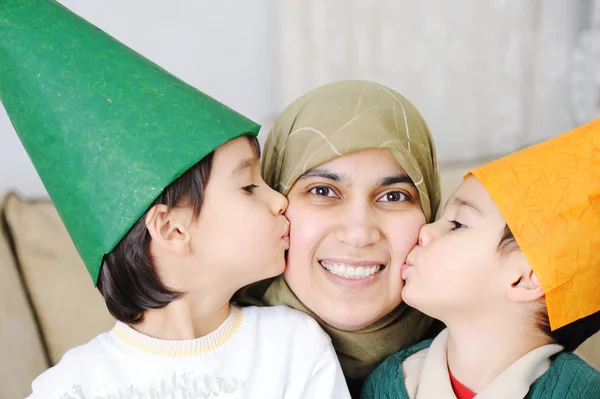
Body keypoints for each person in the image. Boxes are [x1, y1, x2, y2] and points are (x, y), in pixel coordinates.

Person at [0, 1, 349, 397]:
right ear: (172, 227)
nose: (280, 201)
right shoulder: (70, 388)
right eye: (249, 186)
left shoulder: (294, 347)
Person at [362, 119, 600, 398]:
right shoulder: (389, 384)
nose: (425, 231)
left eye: (457, 224)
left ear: (526, 278)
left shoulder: (583, 392)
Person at [235, 80, 443, 395]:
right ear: (275, 203)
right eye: (323, 191)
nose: (359, 234)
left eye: (393, 196)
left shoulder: (493, 351)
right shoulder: (203, 352)